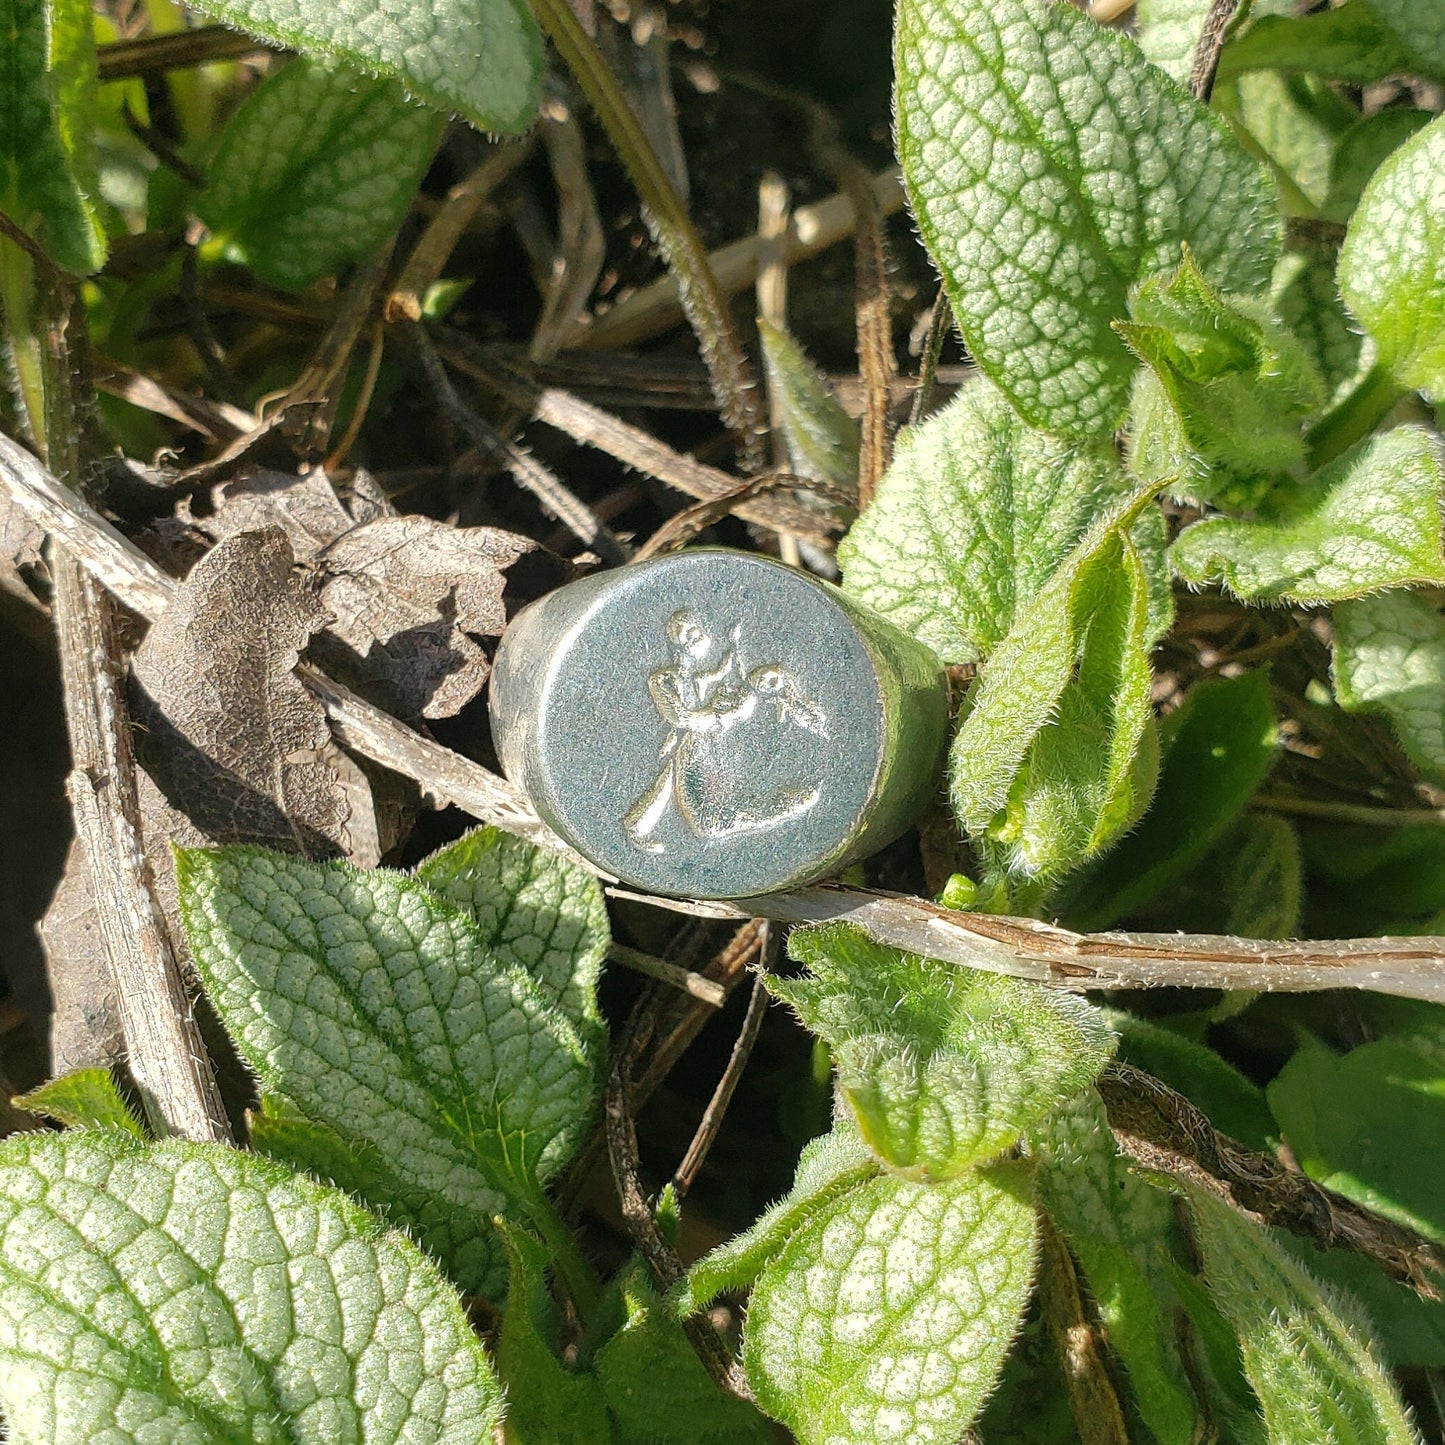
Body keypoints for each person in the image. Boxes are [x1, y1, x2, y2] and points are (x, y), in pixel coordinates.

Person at [623, 610, 829, 851]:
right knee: (706, 819)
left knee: (710, 821)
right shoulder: (684, 677)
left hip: (737, 746)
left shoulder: (737, 675)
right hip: (711, 749)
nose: (691, 642)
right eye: (684, 640)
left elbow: (693, 711)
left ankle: (786, 803)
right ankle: (638, 825)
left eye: (692, 633)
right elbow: (687, 715)